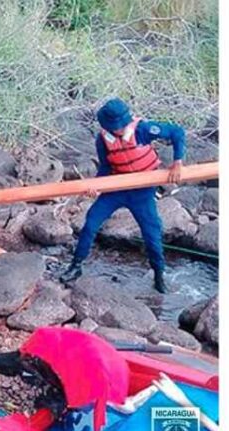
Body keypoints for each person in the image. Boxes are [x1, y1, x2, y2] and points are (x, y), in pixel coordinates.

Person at [59, 98, 186, 293]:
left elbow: (177, 132)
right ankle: (75, 266)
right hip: (116, 189)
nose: (120, 129)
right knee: (91, 223)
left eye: (122, 125)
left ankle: (159, 275)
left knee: (152, 234)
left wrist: (177, 162)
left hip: (142, 191)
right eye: (116, 127)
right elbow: (105, 167)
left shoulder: (143, 129)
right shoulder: (103, 140)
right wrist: (97, 187)